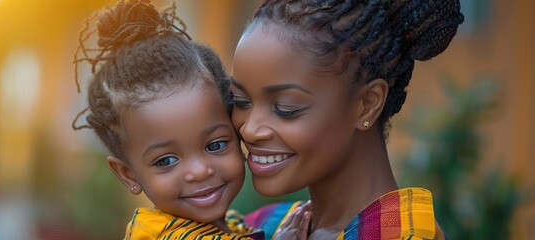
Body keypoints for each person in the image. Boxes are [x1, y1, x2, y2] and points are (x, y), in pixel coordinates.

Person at [72, 0, 312, 239]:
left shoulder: (232, 225)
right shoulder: (162, 234)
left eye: (215, 145)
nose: (199, 171)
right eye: (166, 161)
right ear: (129, 174)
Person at [230, 0, 464, 239]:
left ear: (367, 104)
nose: (249, 129)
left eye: (285, 108)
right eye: (239, 100)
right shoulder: (264, 226)